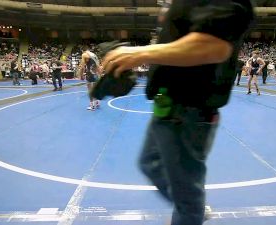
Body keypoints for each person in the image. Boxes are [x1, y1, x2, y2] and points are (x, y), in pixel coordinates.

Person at [102, 1, 254, 225]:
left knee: (184, 193)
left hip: (190, 110)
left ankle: (190, 210)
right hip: (169, 106)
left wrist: (140, 53)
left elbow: (214, 46)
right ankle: (191, 208)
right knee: (151, 164)